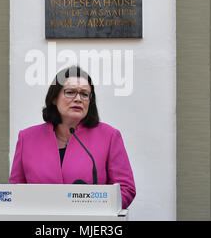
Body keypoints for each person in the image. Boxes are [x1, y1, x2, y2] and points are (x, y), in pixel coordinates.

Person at [9, 66, 136, 209]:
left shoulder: (109, 136)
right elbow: (15, 191)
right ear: (54, 98)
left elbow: (126, 189)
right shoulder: (27, 138)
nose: (78, 99)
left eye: (84, 94)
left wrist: (97, 207)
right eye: (70, 92)